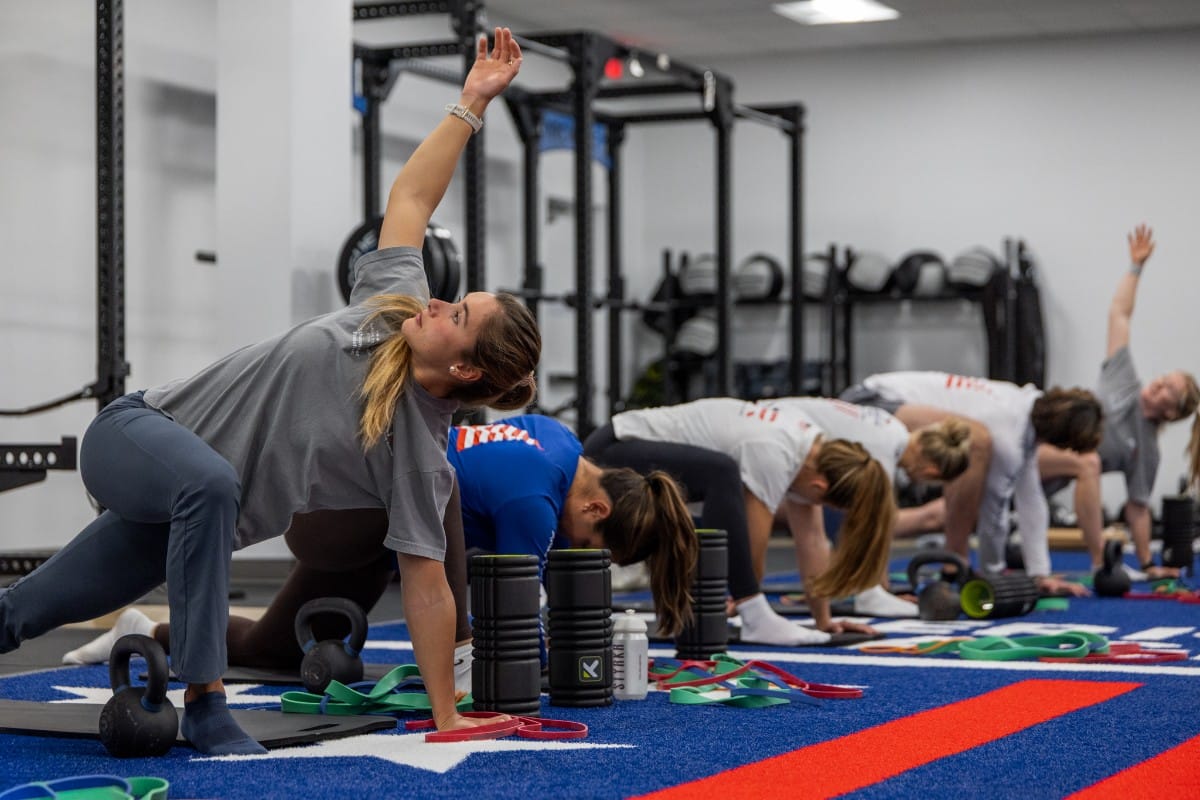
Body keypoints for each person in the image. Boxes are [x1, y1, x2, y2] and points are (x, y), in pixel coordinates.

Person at [3, 27, 536, 755]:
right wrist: (471, 103)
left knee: (24, 613)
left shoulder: (420, 456)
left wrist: (447, 717)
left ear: (468, 371)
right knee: (210, 483)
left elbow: (429, 584)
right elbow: (412, 194)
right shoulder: (392, 305)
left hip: (187, 520)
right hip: (132, 434)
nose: (440, 303)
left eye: (459, 315)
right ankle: (206, 704)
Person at [66, 413, 699, 684]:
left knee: (272, 650)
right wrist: (573, 666)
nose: (575, 549)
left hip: (375, 537)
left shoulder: (558, 439)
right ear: (597, 509)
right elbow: (512, 630)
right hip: (339, 517)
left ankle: (144, 628)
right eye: (589, 544)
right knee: (479, 614)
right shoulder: (535, 503)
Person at [584, 398, 894, 639]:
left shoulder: (810, 449)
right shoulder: (774, 452)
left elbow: (812, 540)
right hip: (613, 450)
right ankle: (754, 612)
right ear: (819, 488)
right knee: (722, 472)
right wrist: (751, 607)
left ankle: (745, 609)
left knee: (711, 503)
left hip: (626, 448)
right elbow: (751, 544)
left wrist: (823, 621)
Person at [841, 371, 1102, 597]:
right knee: (977, 440)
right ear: (1061, 440)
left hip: (875, 399)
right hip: (868, 403)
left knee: (977, 446)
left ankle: (954, 562)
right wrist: (994, 573)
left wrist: (1040, 573)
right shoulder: (1008, 433)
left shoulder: (1025, 406)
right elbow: (994, 512)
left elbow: (1031, 499)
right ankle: (954, 563)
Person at [1038, 225, 1200, 579]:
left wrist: (1147, 565)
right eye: (1163, 378)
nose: (1157, 384)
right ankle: (1100, 563)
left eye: (1167, 390)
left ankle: (1101, 566)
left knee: (939, 515)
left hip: (1043, 483)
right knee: (1089, 462)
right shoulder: (1123, 377)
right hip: (1031, 449)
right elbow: (1119, 314)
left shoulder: (1147, 450)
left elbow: (1138, 508)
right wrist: (1135, 267)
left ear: (1171, 412)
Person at [763, 396, 972, 615]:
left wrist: (884, 589)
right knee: (825, 529)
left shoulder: (893, 429)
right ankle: (867, 593)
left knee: (812, 532)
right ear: (931, 473)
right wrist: (876, 590)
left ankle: (834, 597)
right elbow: (871, 529)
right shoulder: (883, 452)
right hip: (779, 432)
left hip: (776, 419)